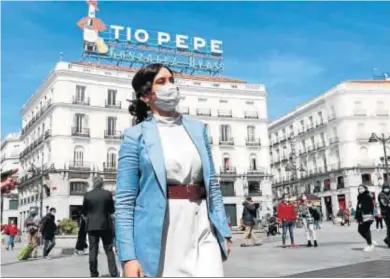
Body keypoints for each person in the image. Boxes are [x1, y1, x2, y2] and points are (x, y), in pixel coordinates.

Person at [116, 63, 232, 278]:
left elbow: (212, 183)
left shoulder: (198, 129)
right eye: (161, 82)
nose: (170, 86)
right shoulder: (135, 136)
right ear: (145, 96)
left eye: (171, 80)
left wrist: (223, 229)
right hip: (163, 230)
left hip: (202, 223)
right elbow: (124, 201)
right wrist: (128, 256)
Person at [82, 176, 118, 278]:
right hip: (106, 225)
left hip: (92, 226)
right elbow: (112, 210)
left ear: (93, 183)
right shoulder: (107, 194)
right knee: (109, 250)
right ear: (102, 184)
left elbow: (84, 211)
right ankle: (114, 274)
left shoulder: (87, 195)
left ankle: (94, 274)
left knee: (93, 250)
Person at [355, 185, 376, 252]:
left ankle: (370, 245)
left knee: (365, 230)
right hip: (361, 216)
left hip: (367, 216)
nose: (360, 190)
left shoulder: (367, 196)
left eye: (362, 188)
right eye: (359, 189)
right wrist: (358, 216)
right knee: (361, 230)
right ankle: (370, 241)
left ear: (365, 189)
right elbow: (358, 208)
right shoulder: (360, 197)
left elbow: (370, 206)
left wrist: (363, 210)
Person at [378, 183, 390, 248]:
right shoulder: (381, 194)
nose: (386, 189)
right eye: (385, 187)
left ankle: (387, 239)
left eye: (387, 187)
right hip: (385, 213)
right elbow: (384, 203)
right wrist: (388, 203)